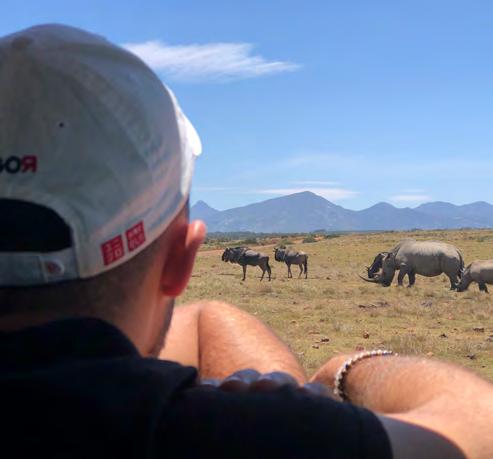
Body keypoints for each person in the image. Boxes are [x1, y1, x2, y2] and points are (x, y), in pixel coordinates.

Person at [0, 23, 491, 458]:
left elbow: (205, 318)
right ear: (180, 261)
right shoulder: (227, 437)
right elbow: (480, 424)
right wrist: (346, 368)